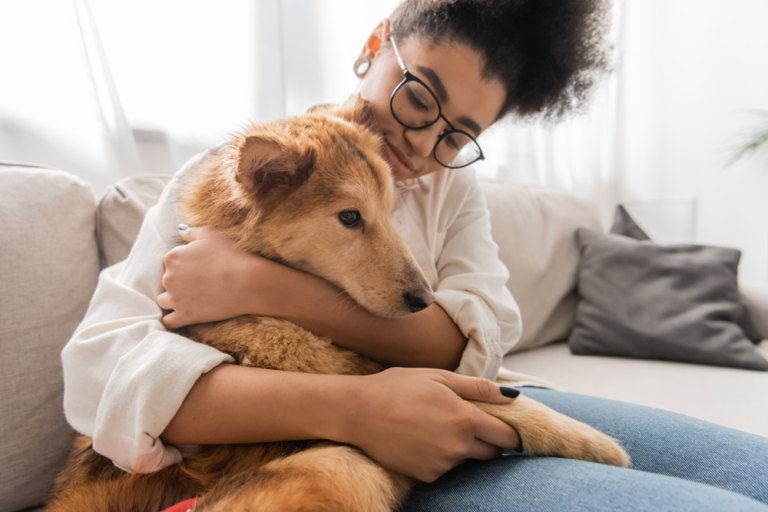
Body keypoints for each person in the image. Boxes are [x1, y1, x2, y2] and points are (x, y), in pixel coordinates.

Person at [62, 0, 768, 510]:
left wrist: (270, 289)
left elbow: (470, 346)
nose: (424, 147)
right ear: (377, 42)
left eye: (458, 135)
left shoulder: (453, 193)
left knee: (755, 472)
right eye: (418, 97)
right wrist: (357, 411)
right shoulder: (241, 175)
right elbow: (102, 380)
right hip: (339, 453)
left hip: (460, 407)